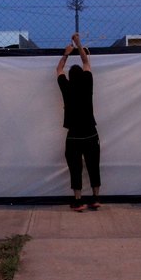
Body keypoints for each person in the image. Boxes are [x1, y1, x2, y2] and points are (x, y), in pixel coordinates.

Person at [56, 33, 101, 212]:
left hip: (74, 135)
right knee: (93, 165)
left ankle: (78, 201)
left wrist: (66, 53)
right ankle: (96, 198)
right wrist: (78, 43)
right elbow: (86, 62)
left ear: (70, 78)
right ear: (82, 75)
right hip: (91, 132)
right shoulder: (88, 83)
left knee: (75, 167)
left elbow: (58, 69)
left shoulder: (66, 87)